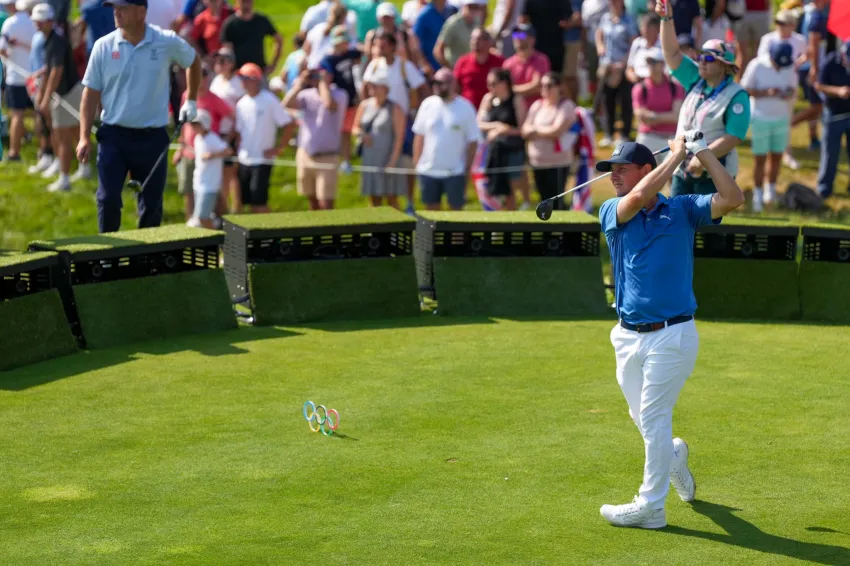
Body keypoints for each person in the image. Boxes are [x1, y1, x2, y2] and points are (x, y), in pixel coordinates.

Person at [597, 134, 744, 530]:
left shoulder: (681, 208)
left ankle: (651, 507)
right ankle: (674, 458)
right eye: (611, 170)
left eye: (622, 169)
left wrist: (702, 152)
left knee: (653, 415)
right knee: (643, 419)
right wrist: (677, 155)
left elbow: (733, 198)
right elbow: (636, 197)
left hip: (672, 334)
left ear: (646, 168)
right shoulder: (612, 209)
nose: (613, 176)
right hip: (627, 335)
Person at [77, 0, 201, 233]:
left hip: (153, 137)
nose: (116, 13)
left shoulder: (165, 40)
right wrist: (84, 137)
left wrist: (191, 99)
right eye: (115, 8)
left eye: (122, 8)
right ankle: (108, 250)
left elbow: (193, 61)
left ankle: (146, 253)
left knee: (151, 205)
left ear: (141, 12)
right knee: (108, 198)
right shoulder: (103, 46)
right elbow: (90, 93)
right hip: (113, 136)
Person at [658, 0, 750, 197]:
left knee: (707, 219)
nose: (701, 62)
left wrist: (701, 158)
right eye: (700, 56)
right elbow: (672, 53)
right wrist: (666, 19)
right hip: (682, 169)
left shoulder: (737, 95)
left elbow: (733, 136)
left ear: (724, 66)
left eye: (708, 58)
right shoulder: (696, 79)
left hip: (714, 174)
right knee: (676, 216)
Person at [362, 28, 428, 213]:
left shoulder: (404, 66)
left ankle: (409, 202)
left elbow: (422, 87)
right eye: (377, 45)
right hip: (380, 123)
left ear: (392, 46)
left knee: (405, 164)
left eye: (383, 45)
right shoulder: (374, 65)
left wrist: (418, 111)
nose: (379, 49)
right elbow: (365, 88)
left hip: (403, 121)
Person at [412, 68, 480, 211]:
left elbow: (473, 141)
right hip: (428, 171)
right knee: (431, 215)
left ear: (452, 84)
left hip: (455, 172)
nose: (436, 86)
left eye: (441, 83)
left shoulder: (466, 107)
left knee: (456, 215)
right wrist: (417, 164)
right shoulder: (427, 105)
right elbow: (419, 137)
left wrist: (467, 168)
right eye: (434, 82)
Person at [741, 41, 797, 212]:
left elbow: (793, 89)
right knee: (760, 159)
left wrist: (786, 93)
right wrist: (766, 93)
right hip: (760, 118)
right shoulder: (756, 65)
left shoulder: (789, 66)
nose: (780, 66)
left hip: (781, 117)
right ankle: (757, 195)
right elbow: (745, 89)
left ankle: (770, 192)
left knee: (777, 156)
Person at [34, 1, 84, 192]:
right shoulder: (52, 38)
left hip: (66, 92)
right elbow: (52, 67)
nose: (37, 24)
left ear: (50, 21)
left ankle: (64, 179)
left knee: (63, 135)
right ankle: (82, 168)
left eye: (40, 21)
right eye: (36, 21)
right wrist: (42, 73)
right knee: (73, 132)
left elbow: (57, 71)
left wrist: (45, 98)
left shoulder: (55, 41)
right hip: (69, 90)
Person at [283, 67, 348, 211]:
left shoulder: (340, 94)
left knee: (326, 204)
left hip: (328, 157)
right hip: (305, 154)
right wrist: (300, 84)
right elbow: (285, 104)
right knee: (312, 200)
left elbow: (329, 104)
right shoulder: (305, 94)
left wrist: (322, 83)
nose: (316, 78)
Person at [174, 63, 234, 219]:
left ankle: (223, 221)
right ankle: (191, 224)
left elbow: (232, 117)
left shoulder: (214, 99)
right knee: (189, 190)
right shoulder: (186, 96)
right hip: (189, 152)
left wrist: (225, 139)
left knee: (213, 192)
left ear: (206, 78)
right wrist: (180, 148)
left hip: (208, 154)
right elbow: (184, 123)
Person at [233, 63, 294, 214]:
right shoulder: (241, 103)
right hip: (244, 159)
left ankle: (271, 228)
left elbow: (288, 124)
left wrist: (279, 148)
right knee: (245, 201)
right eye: (241, 78)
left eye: (246, 78)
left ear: (256, 80)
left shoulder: (269, 100)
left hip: (262, 160)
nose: (242, 82)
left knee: (259, 202)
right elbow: (240, 132)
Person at [757, 9, 807, 170]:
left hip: (789, 85)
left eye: (783, 23)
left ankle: (786, 152)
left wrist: (797, 63)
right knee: (765, 119)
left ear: (792, 25)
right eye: (778, 22)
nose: (779, 26)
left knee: (786, 118)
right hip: (768, 85)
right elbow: (761, 59)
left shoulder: (799, 40)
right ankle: (764, 152)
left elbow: (806, 55)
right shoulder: (768, 39)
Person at [352, 68, 406, 208]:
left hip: (388, 158)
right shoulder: (364, 105)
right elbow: (355, 128)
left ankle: (399, 222)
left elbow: (399, 137)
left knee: (391, 198)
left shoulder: (395, 108)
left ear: (385, 88)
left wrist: (392, 162)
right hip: (370, 158)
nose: (372, 88)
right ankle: (376, 222)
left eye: (376, 85)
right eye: (371, 85)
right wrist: (362, 134)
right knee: (374, 198)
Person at [522, 71, 576, 208]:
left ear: (559, 87)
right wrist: (543, 130)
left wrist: (535, 130)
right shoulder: (537, 105)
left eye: (549, 85)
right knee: (543, 200)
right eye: (542, 85)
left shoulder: (566, 105)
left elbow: (556, 131)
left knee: (556, 201)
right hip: (537, 162)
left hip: (558, 163)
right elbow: (525, 130)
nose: (545, 88)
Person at [477, 68, 526, 210]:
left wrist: (506, 130)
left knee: (510, 191)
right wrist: (497, 126)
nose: (489, 87)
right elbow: (479, 123)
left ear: (504, 83)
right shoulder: (488, 99)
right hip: (493, 152)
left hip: (512, 150)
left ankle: (512, 218)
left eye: (493, 83)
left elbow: (523, 129)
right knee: (493, 190)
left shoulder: (516, 100)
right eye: (488, 84)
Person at [320, 25, 362, 174]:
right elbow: (324, 81)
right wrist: (328, 98)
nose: (345, 45)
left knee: (347, 131)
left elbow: (362, 53)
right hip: (338, 101)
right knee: (339, 132)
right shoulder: (328, 60)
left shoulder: (350, 54)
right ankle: (341, 159)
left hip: (352, 99)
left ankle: (347, 159)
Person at [597, 0, 639, 147]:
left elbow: (633, 43)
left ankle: (624, 134)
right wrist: (600, 47)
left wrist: (624, 62)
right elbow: (599, 33)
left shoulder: (629, 19)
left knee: (625, 101)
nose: (612, 3)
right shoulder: (605, 18)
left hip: (623, 66)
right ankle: (608, 133)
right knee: (607, 100)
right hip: (607, 66)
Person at [632, 47, 684, 158]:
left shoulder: (676, 87)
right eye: (649, 62)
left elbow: (676, 116)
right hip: (648, 137)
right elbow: (640, 115)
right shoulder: (640, 88)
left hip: (671, 138)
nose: (651, 65)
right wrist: (666, 117)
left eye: (654, 62)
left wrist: (653, 116)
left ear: (662, 64)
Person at [0, 0, 35, 162]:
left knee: (17, 115)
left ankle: (14, 152)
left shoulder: (10, 23)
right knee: (37, 114)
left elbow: (2, 49)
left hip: (15, 77)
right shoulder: (34, 23)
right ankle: (44, 150)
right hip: (34, 77)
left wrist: (10, 55)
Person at [815, 40, 850, 199]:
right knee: (830, 153)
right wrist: (838, 91)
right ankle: (824, 188)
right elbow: (819, 85)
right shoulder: (830, 61)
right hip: (833, 115)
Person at [188, 108, 231, 228]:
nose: (193, 127)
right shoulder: (198, 139)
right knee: (202, 217)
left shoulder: (212, 138)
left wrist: (212, 155)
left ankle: (216, 238)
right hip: (198, 182)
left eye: (196, 124)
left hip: (209, 185)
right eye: (193, 124)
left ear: (204, 124)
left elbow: (228, 151)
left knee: (202, 217)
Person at [219, 0, 281, 74]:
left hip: (259, 72)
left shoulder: (261, 20)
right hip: (238, 73)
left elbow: (278, 40)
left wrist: (273, 65)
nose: (246, 2)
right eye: (243, 1)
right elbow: (227, 51)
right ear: (237, 2)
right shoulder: (230, 24)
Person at [453, 27, 504, 110]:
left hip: (492, 111)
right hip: (467, 111)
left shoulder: (499, 62)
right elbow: (455, 88)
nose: (475, 42)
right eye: (472, 38)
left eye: (479, 39)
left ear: (488, 42)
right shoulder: (462, 62)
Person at [503, 23, 550, 110]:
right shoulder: (508, 63)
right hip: (513, 111)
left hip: (537, 110)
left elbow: (537, 87)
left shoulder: (541, 60)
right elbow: (503, 88)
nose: (517, 38)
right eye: (515, 35)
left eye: (521, 35)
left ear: (532, 39)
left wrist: (511, 90)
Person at [520, 0, 571, 74]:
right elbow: (522, 23)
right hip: (542, 49)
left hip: (553, 49)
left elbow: (522, 23)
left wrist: (520, 42)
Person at [365, 3, 423, 68]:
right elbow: (368, 57)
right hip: (380, 72)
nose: (386, 20)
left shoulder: (407, 34)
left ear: (394, 17)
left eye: (388, 17)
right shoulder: (372, 35)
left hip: (402, 71)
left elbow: (415, 55)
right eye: (383, 17)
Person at [304, 2, 356, 70]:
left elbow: (306, 49)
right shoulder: (340, 32)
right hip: (326, 71)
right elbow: (349, 49)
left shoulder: (317, 28)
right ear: (344, 17)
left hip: (312, 68)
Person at [434, 0, 485, 69]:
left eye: (476, 7)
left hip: (471, 68)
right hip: (455, 67)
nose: (473, 10)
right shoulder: (453, 23)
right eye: (470, 7)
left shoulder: (477, 20)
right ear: (464, 6)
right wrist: (450, 69)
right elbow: (438, 50)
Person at [413, 0, 456, 72]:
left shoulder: (452, 10)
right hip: (433, 67)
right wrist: (424, 64)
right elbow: (414, 41)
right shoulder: (425, 14)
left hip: (452, 64)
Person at [733, 0, 773, 74]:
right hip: (742, 13)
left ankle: (756, 77)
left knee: (759, 52)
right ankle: (739, 79)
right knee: (742, 54)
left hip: (759, 13)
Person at [626, 13, 661, 84]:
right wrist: (633, 77)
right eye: (643, 27)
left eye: (649, 27)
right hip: (638, 83)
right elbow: (629, 69)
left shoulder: (664, 44)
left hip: (657, 84)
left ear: (657, 28)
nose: (645, 30)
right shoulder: (637, 43)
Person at [562, 0, 583, 100]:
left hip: (571, 41)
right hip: (555, 42)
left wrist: (568, 24)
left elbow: (579, 19)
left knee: (570, 77)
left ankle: (573, 105)